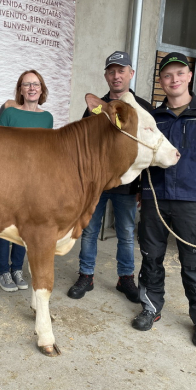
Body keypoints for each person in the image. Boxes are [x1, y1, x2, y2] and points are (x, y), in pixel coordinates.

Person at [133, 52, 196, 349]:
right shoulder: (154, 117)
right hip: (154, 198)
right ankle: (151, 307)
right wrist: (140, 190)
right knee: (151, 258)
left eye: (179, 73)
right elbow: (142, 155)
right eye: (167, 75)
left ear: (189, 76)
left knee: (194, 263)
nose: (173, 79)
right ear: (160, 82)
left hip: (192, 202)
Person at [67, 51, 153, 303]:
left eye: (121, 70)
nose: (116, 76)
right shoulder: (95, 108)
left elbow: (149, 149)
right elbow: (83, 146)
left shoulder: (144, 109)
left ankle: (125, 278)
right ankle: (86, 275)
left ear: (131, 74)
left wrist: (143, 187)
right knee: (90, 230)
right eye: (111, 71)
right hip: (96, 185)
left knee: (126, 232)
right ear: (106, 75)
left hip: (128, 185)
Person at [0, 69, 54, 292]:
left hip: (35, 182)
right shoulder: (9, 114)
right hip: (9, 179)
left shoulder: (47, 118)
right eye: (27, 84)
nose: (31, 88)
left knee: (25, 227)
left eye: (36, 84)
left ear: (41, 89)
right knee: (5, 226)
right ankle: (3, 272)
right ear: (20, 89)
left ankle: (17, 269)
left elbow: (47, 152)